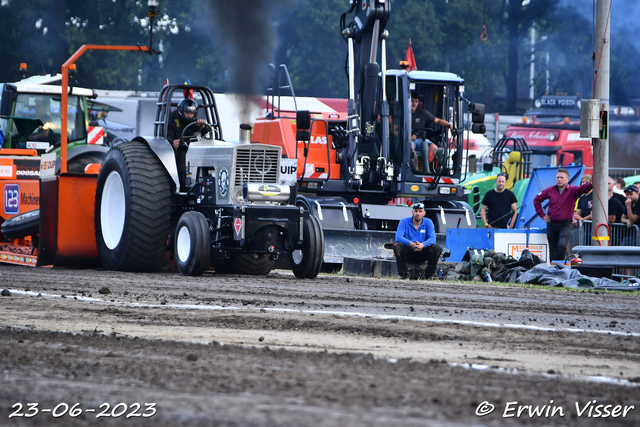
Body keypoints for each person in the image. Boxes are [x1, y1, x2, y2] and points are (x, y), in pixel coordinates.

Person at [534, 168, 591, 261]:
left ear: (568, 179)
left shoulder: (573, 190)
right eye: (557, 177)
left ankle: (558, 267)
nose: (559, 179)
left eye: (561, 177)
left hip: (565, 224)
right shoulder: (550, 190)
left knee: (562, 246)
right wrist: (542, 215)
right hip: (551, 223)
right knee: (552, 249)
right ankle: (553, 269)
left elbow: (585, 188)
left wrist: (591, 182)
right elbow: (537, 199)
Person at [394, 202, 442, 279]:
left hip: (423, 251)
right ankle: (403, 274)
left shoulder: (428, 222)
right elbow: (398, 237)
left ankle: (429, 275)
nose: (418, 213)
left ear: (424, 213)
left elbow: (433, 238)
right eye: (416, 211)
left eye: (420, 211)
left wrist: (422, 245)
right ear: (412, 212)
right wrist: (411, 244)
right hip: (409, 251)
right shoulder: (404, 221)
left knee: (436, 248)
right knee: (398, 247)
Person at [166, 98, 205, 189]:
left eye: (191, 113)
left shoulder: (196, 124)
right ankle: (184, 186)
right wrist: (173, 142)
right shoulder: (174, 123)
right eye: (187, 113)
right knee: (183, 157)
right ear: (181, 112)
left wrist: (202, 127)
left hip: (196, 151)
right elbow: (168, 137)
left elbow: (207, 134)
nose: (189, 116)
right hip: (180, 151)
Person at [410, 91, 452, 170]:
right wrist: (408, 137)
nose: (414, 104)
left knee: (434, 147)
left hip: (421, 140)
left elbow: (438, 121)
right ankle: (416, 169)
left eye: (416, 101)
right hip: (409, 141)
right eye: (412, 101)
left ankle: (422, 170)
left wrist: (449, 125)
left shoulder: (422, 113)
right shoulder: (403, 113)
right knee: (411, 146)